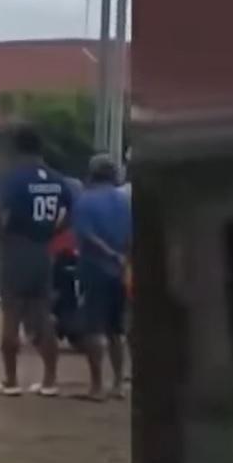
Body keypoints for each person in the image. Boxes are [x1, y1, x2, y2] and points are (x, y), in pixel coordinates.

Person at [0, 126, 72, 397]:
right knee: (43, 316)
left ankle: (11, 381)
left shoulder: (13, 179)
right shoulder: (59, 181)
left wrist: (1, 234)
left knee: (12, 314)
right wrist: (51, 233)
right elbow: (67, 214)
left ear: (17, 150)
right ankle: (49, 382)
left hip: (18, 249)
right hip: (43, 251)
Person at [71, 153, 133, 402]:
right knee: (116, 330)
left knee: (93, 328)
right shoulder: (123, 201)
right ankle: (118, 383)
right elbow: (131, 236)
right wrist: (123, 258)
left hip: (94, 268)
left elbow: (86, 236)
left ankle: (96, 385)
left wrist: (110, 254)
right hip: (119, 271)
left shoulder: (84, 201)